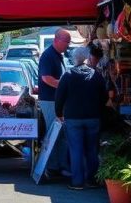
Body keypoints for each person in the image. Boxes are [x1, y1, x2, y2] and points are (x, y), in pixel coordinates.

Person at [55, 46, 108, 191]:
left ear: (74, 58)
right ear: (87, 57)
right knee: (92, 149)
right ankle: (92, 179)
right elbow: (105, 97)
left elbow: (59, 97)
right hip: (93, 117)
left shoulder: (68, 74)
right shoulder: (96, 75)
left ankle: (77, 182)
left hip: (73, 118)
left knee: (76, 149)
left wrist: (58, 113)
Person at [38, 28, 72, 179]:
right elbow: (47, 78)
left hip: (55, 100)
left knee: (60, 134)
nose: (68, 45)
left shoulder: (57, 55)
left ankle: (59, 166)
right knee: (54, 134)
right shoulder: (48, 55)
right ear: (57, 40)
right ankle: (52, 167)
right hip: (50, 101)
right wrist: (65, 86)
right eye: (67, 42)